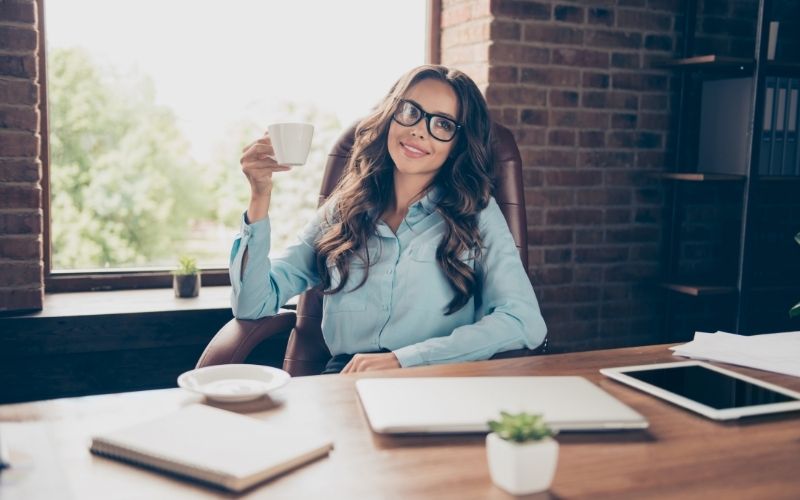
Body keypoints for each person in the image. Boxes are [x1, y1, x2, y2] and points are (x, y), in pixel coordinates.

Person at [229, 64, 546, 374]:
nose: (419, 130)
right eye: (411, 111)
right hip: (345, 381)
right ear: (389, 116)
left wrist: (404, 360)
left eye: (444, 124)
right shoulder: (343, 209)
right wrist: (260, 195)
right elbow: (252, 304)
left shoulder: (476, 211)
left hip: (435, 378)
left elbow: (523, 320)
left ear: (458, 144)